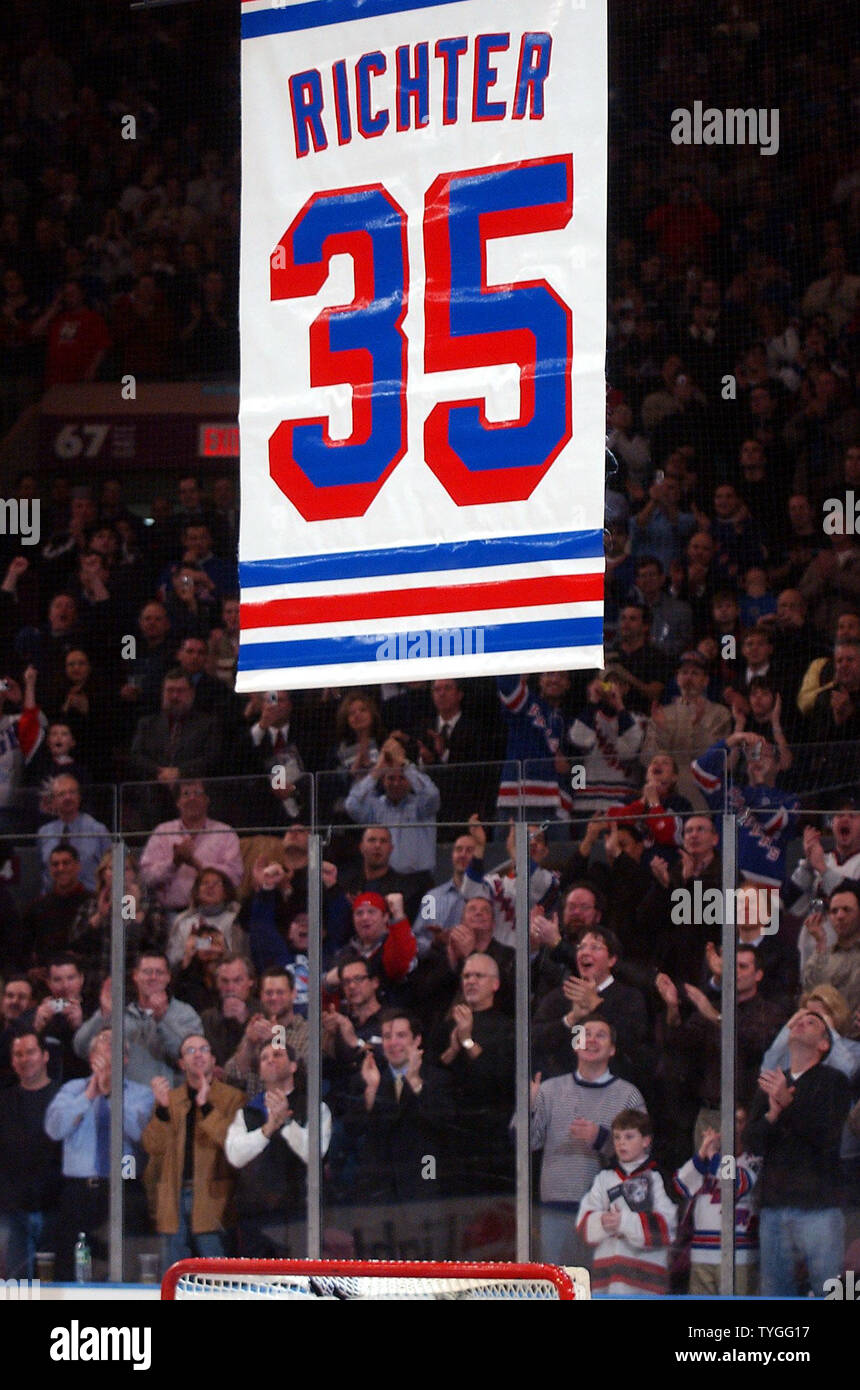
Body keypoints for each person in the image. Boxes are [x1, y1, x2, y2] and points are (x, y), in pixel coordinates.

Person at [745, 1008, 851, 1298]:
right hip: (774, 1206)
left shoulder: (834, 1081)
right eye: (797, 1021)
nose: (801, 1023)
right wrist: (772, 1115)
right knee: (775, 1292)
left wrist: (786, 1104)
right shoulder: (770, 1082)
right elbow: (752, 1141)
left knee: (832, 1292)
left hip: (820, 1207)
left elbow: (825, 1135)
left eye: (812, 1022)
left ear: (824, 1044)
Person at [530, 1015, 646, 1266]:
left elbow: (642, 1155)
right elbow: (529, 1142)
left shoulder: (628, 1095)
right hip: (555, 1207)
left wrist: (601, 1138)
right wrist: (529, 1107)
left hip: (607, 1211)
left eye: (600, 1035)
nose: (591, 1040)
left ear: (612, 1049)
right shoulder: (548, 1090)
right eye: (585, 1034)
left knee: (600, 1285)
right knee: (556, 1283)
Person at [44, 1029, 153, 1280]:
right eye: (103, 1043)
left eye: (116, 1046)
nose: (109, 1049)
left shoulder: (141, 1094)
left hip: (126, 1190)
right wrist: (90, 1095)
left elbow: (140, 1133)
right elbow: (55, 1128)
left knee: (126, 1267)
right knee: (75, 1266)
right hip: (81, 1192)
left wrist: (111, 1094)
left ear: (125, 1059)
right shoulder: (73, 1089)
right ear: (91, 1056)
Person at [343, 1010, 452, 1231]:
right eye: (387, 1037)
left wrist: (415, 1082)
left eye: (401, 1036)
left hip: (423, 1189)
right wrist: (372, 1091)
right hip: (379, 1197)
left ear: (417, 1040)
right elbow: (352, 1130)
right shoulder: (367, 1079)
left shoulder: (437, 1078)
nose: (393, 1043)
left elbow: (443, 1124)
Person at [143, 1033, 244, 1270]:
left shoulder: (232, 1098)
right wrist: (163, 1111)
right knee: (174, 1273)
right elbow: (153, 1146)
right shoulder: (170, 1099)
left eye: (204, 1049)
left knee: (218, 1277)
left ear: (213, 1059)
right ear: (181, 1063)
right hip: (173, 1198)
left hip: (212, 1199)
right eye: (190, 1050)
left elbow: (233, 1144)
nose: (198, 1054)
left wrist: (206, 1107)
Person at [225, 1041, 331, 1258]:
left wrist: (286, 1124)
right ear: (260, 1072)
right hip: (255, 1218)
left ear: (293, 1065)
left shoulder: (314, 1107)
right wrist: (267, 1129)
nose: (270, 1060)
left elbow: (314, 1153)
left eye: (277, 1054)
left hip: (300, 1216)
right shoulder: (248, 1112)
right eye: (264, 1058)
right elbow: (235, 1156)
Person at [428, 953, 515, 1199]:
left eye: (479, 975)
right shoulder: (445, 1026)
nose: (471, 981)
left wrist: (467, 1041)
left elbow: (501, 1079)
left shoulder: (508, 1027)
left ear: (495, 984)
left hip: (491, 1138)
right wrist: (454, 1049)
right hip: (451, 1138)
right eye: (466, 976)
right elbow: (432, 1074)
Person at [577, 1108, 676, 1296]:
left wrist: (623, 1222)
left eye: (629, 1137)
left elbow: (666, 1228)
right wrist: (603, 1222)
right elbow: (583, 1225)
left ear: (646, 1141)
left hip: (646, 1281)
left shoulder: (658, 1177)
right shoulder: (603, 1178)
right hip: (606, 1278)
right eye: (617, 1137)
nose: (621, 1143)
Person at [73, 951, 202, 1086]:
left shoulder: (185, 1013)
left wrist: (162, 1019)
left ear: (168, 977)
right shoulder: (117, 1013)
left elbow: (192, 1058)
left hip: (167, 1099)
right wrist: (103, 1014)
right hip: (123, 1099)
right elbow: (81, 1048)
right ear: (135, 975)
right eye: (147, 972)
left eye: (159, 972)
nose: (153, 977)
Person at [673, 1110, 761, 1296]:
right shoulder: (707, 1162)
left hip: (739, 1257)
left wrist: (714, 1156)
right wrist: (702, 1153)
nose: (733, 1128)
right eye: (728, 1121)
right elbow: (681, 1186)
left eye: (739, 1121)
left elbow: (735, 1183)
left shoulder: (753, 1160)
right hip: (701, 1254)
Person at [0, 1031, 61, 1278]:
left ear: (45, 1056)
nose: (25, 1059)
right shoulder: (4, 1102)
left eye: (30, 1052)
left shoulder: (63, 1097)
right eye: (18, 1054)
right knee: (15, 1287)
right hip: (12, 1211)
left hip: (55, 1209)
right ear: (12, 1061)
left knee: (55, 1283)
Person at [139, 779, 243, 914]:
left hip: (217, 913)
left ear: (207, 800)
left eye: (198, 793)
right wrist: (174, 863)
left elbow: (235, 877)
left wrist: (197, 864)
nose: (192, 798)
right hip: (171, 914)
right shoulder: (162, 832)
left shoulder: (225, 832)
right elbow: (146, 877)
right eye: (186, 794)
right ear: (178, 802)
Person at [345, 735, 440, 876]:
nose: (396, 783)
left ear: (410, 781)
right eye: (391, 778)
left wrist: (404, 765)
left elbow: (432, 794)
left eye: (402, 778)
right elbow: (351, 805)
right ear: (383, 781)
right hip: (385, 879)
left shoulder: (422, 805)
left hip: (420, 879)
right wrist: (378, 769)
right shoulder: (376, 807)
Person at [224, 966, 308, 1095]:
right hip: (255, 1108)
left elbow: (304, 1073)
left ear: (293, 994)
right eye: (269, 993)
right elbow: (231, 1076)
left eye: (280, 992)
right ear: (261, 996)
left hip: (292, 1107)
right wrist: (249, 1044)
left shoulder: (307, 1031)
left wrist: (274, 1041)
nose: (274, 998)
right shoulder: (257, 1028)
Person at [128, 670, 221, 786]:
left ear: (192, 693)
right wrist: (160, 772)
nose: (174, 696)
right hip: (153, 790)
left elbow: (211, 758)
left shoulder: (207, 724)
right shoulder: (147, 724)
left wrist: (180, 772)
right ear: (162, 693)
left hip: (194, 790)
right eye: (170, 690)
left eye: (180, 691)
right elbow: (136, 757)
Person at [21, 843, 94, 967]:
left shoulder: (94, 902)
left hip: (87, 972)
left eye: (66, 863)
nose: (60, 868)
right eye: (55, 864)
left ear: (78, 866)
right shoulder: (37, 906)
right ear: (50, 869)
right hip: (46, 976)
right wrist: (32, 969)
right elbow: (23, 946)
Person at [36, 773, 111, 891]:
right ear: (53, 801)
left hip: (89, 902)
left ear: (79, 797)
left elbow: (111, 870)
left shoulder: (98, 830)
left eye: (72, 792)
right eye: (61, 794)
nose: (67, 797)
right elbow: (42, 873)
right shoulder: (44, 833)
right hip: (53, 902)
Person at [802, 883, 860, 1016]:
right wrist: (820, 942)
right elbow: (810, 991)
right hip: (823, 1031)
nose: (839, 916)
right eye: (834, 911)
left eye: (847, 910)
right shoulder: (824, 954)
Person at [199, 955, 259, 1071]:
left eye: (237, 980)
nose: (230, 988)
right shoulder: (207, 1018)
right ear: (217, 983)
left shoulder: (264, 1012)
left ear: (250, 981)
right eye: (224, 981)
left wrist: (245, 1022)